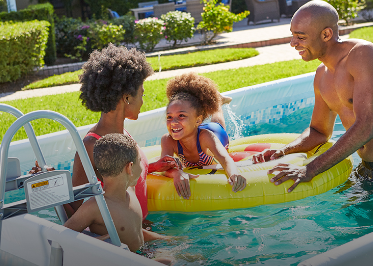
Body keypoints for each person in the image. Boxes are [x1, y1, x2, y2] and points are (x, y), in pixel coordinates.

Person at [253, 1, 373, 191]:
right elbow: (319, 131)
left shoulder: (363, 55)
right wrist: (285, 150)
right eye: (293, 35)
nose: (293, 43)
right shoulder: (321, 75)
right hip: (370, 170)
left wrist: (310, 169)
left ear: (326, 34)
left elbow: (367, 128)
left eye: (300, 37)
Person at [66, 44, 179, 219]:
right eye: (142, 94)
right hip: (126, 241)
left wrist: (154, 167)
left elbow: (120, 177)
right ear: (126, 98)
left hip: (141, 230)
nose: (143, 101)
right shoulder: (92, 145)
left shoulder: (123, 134)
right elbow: (76, 208)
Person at [64, 133, 171, 256]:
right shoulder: (96, 207)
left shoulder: (131, 192)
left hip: (142, 256)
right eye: (140, 162)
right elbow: (61, 236)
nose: (142, 168)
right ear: (130, 167)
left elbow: (135, 232)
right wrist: (98, 243)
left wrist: (167, 239)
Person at [160, 72, 247, 199]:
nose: (173, 122)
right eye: (169, 117)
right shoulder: (168, 140)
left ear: (198, 120)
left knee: (217, 122)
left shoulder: (206, 137)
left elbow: (225, 159)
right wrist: (176, 173)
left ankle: (218, 102)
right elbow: (163, 167)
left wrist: (234, 174)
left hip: (216, 135)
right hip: (192, 130)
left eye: (181, 116)